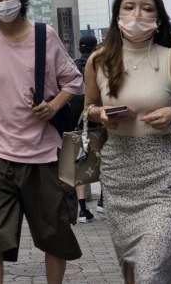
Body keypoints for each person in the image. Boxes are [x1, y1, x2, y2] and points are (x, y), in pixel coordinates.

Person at [84, 0, 171, 283]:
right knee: (130, 260)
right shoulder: (98, 61)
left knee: (151, 265)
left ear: (158, 18)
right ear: (117, 15)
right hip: (118, 172)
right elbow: (87, 107)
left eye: (147, 8)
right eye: (129, 7)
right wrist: (99, 113)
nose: (137, 14)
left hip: (163, 173)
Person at [0, 0, 83, 284]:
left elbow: (73, 81)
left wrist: (53, 106)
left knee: (54, 234)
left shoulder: (45, 36)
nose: (4, 4)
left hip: (45, 155)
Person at [72, 34, 99, 222]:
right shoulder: (99, 64)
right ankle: (104, 202)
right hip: (98, 118)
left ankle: (82, 209)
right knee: (106, 158)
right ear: (94, 47)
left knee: (80, 163)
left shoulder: (72, 65)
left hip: (76, 122)